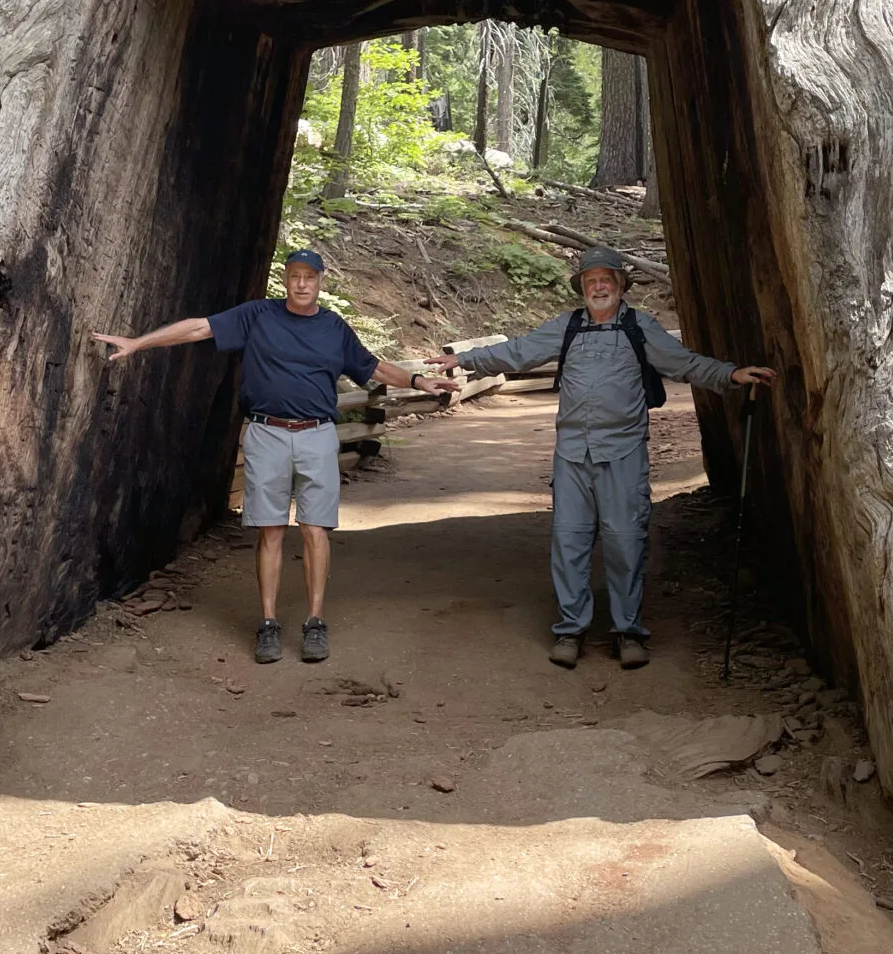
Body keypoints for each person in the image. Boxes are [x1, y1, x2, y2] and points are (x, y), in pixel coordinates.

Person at [94, 250, 457, 666]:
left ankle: (315, 621)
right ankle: (268, 624)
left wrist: (417, 380)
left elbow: (372, 368)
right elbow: (199, 329)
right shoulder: (258, 315)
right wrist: (139, 343)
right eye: (294, 276)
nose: (302, 283)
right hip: (267, 433)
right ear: (285, 279)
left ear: (321, 280)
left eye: (310, 276)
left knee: (315, 529)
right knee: (270, 531)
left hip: (317, 435)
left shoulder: (333, 328)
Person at [433, 248, 777, 669]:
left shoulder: (639, 327)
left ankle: (628, 632)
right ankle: (571, 631)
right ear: (581, 287)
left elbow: (683, 363)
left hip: (624, 453)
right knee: (569, 542)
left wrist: (730, 374)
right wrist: (463, 360)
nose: (599, 286)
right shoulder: (568, 326)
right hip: (572, 455)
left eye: (607, 279)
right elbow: (518, 352)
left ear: (620, 285)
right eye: (591, 279)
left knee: (626, 542)